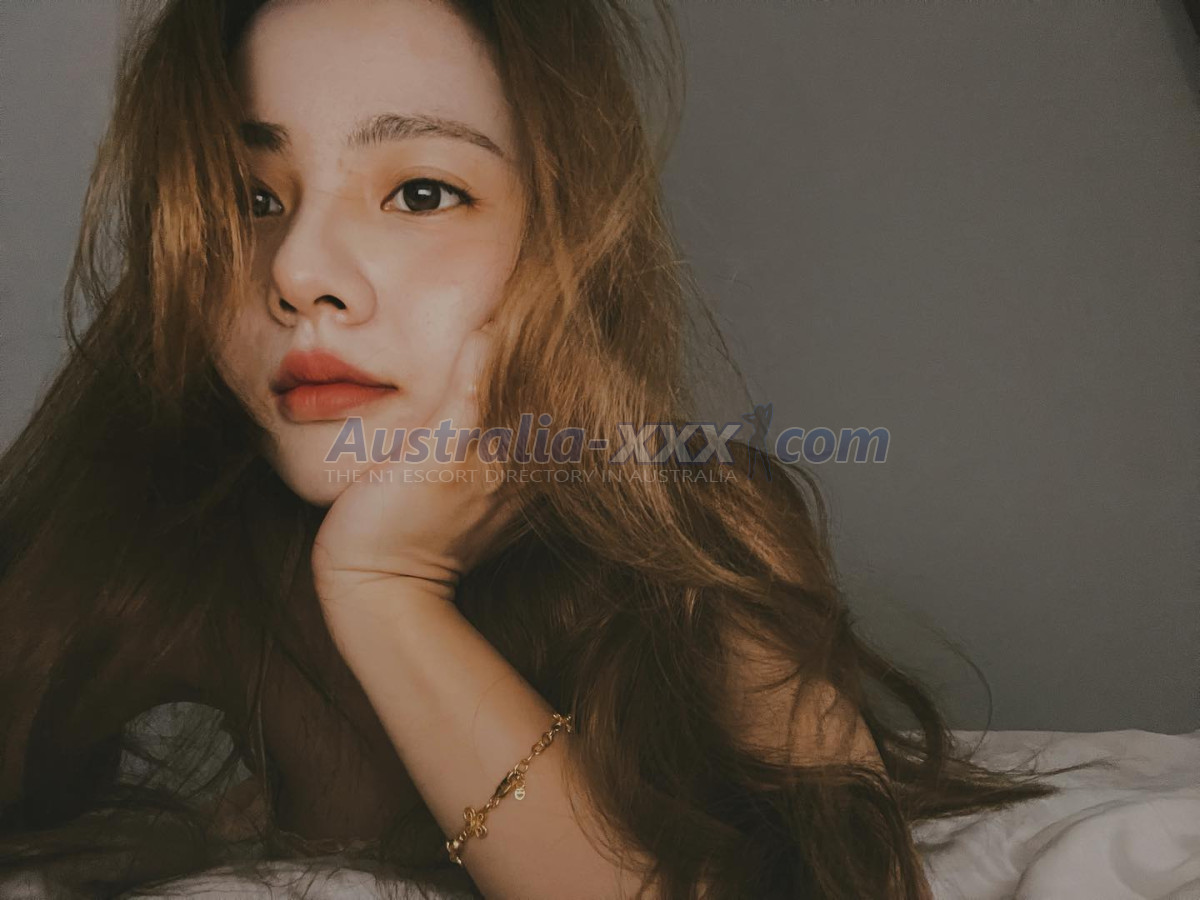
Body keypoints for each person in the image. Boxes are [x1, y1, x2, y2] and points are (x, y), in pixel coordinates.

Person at [0, 1, 1058, 897]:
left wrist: (388, 589)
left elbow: (850, 882)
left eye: (420, 193)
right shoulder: (176, 525)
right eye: (251, 199)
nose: (298, 270)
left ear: (562, 242)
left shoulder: (704, 523)